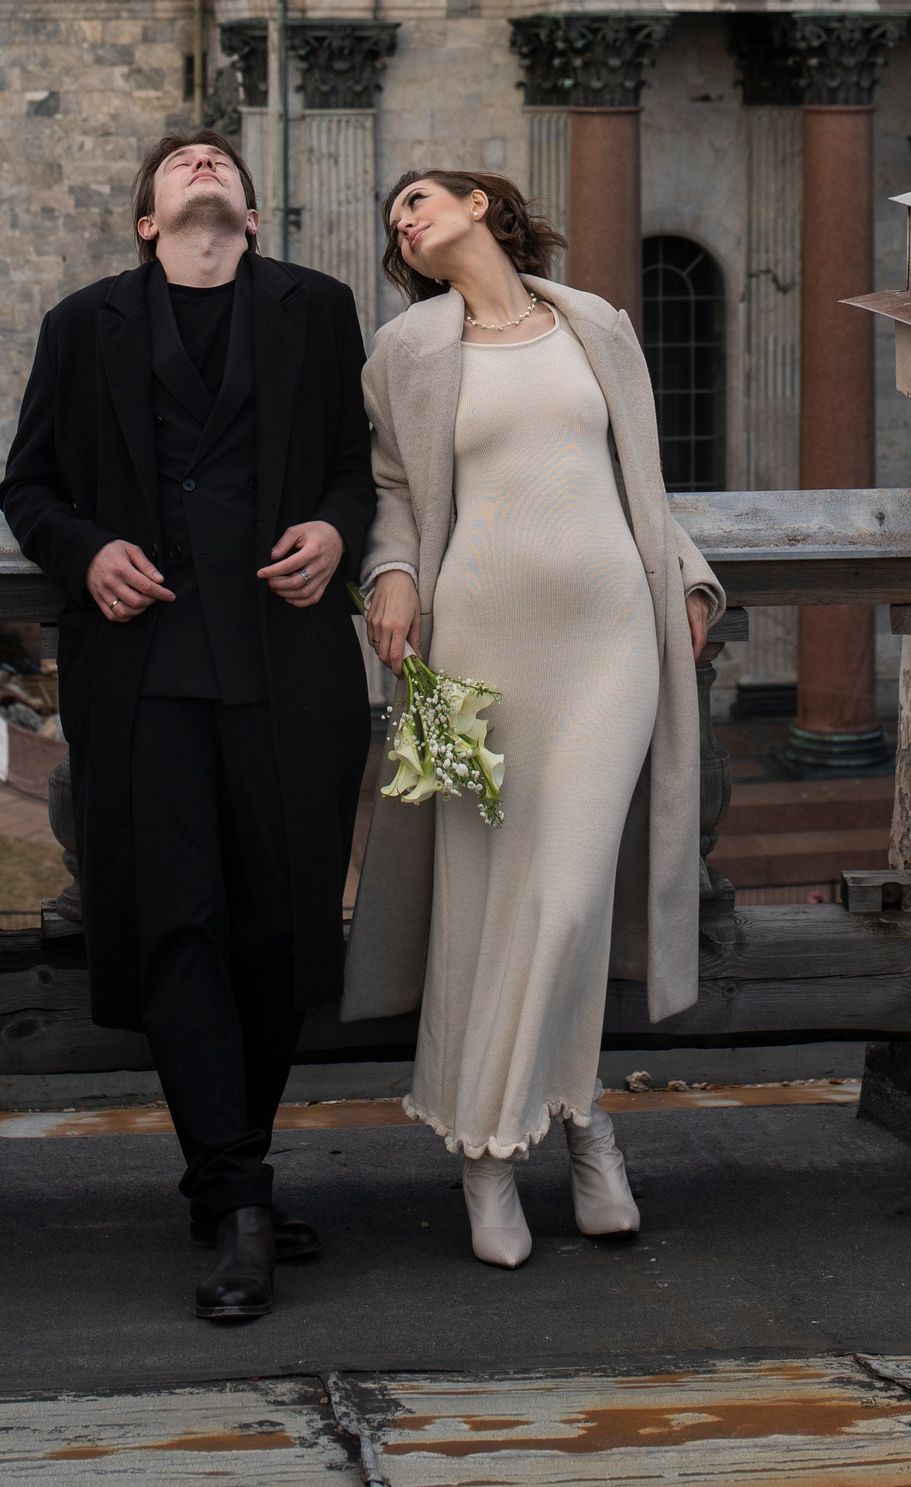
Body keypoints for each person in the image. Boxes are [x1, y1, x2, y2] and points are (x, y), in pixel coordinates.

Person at [0, 132, 375, 1324]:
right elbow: (27, 487)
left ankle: (227, 1178)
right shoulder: (82, 325)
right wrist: (86, 551)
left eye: (221, 161)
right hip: (146, 675)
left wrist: (336, 530)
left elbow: (357, 467)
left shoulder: (320, 309)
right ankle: (243, 1200)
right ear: (148, 223)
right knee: (177, 930)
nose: (204, 163)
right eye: (181, 164)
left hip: (289, 669)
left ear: (251, 216)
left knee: (279, 933)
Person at [343, 171, 723, 1268]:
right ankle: (529, 1145)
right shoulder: (406, 349)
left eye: (421, 197)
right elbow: (391, 491)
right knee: (481, 908)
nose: (405, 217)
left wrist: (691, 575)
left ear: (481, 205)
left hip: (612, 640)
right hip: (472, 653)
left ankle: (531, 1128)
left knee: (567, 897)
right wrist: (393, 572)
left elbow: (639, 478)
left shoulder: (596, 323)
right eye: (396, 219)